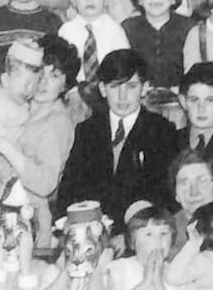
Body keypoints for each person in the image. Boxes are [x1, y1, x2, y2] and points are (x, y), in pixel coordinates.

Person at [56, 49, 183, 222]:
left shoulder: (162, 130)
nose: (122, 96)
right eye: (115, 87)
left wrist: (129, 233)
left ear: (144, 88)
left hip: (141, 229)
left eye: (131, 86)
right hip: (91, 227)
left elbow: (162, 195)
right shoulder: (87, 130)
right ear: (102, 89)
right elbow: (69, 188)